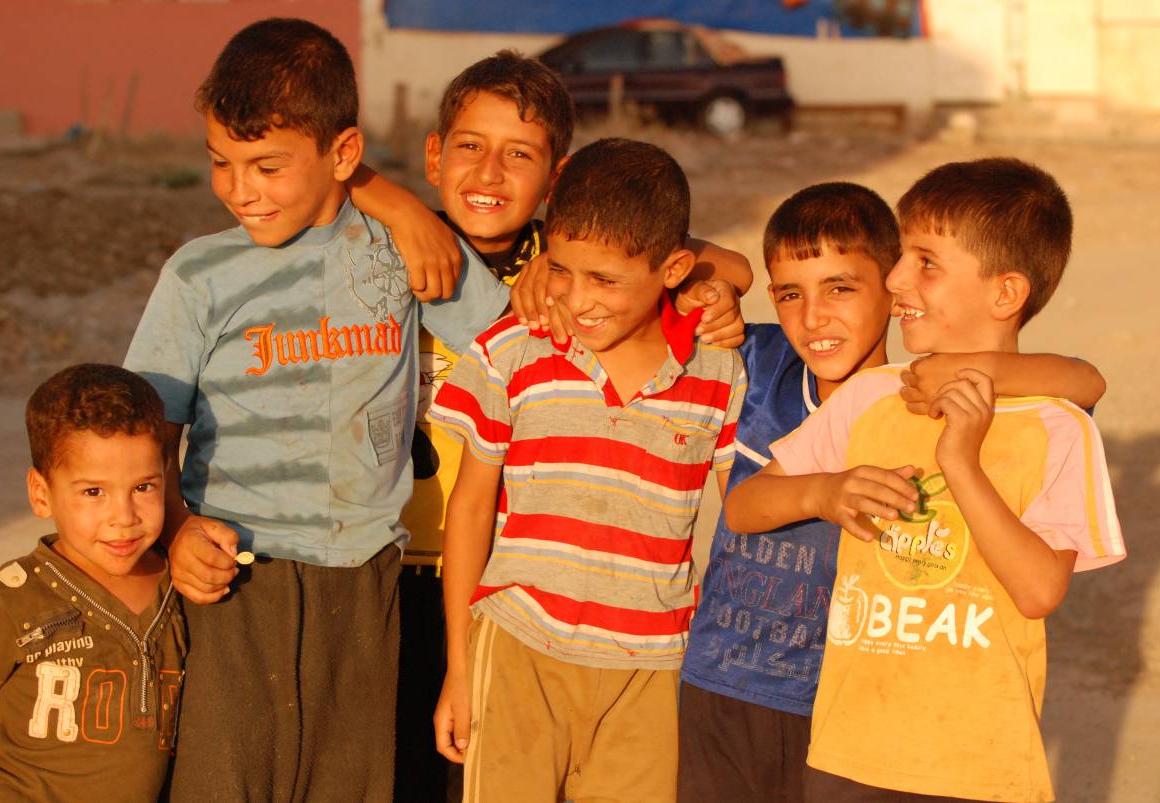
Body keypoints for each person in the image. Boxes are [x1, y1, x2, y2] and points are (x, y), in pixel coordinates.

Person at [343, 50, 752, 802]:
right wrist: (403, 209)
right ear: (434, 155)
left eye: (519, 155)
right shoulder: (388, 246)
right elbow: (319, 171)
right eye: (470, 146)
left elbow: (709, 260)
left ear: (555, 179)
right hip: (386, 567)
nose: (490, 173)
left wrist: (710, 283)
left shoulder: (559, 264)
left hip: (504, 583)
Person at [122, 18, 511, 802]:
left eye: (267, 166)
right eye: (222, 163)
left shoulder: (404, 248)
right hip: (234, 582)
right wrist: (177, 529)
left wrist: (699, 270)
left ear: (342, 153)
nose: (240, 189)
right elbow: (142, 438)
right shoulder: (199, 275)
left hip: (366, 583)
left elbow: (519, 341)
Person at [676, 181, 1109, 803]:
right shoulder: (871, 397)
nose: (900, 278)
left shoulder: (1055, 425)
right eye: (902, 259)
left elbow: (1040, 590)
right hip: (841, 747)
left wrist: (959, 460)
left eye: (923, 262)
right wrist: (824, 493)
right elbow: (744, 505)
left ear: (1006, 292)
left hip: (977, 763)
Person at [427, 137, 747, 802]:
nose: (577, 299)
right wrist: (459, 665)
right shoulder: (511, 351)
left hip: (652, 671)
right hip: (517, 647)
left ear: (673, 268)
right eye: (561, 270)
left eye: (605, 280)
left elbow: (740, 519)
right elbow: (471, 507)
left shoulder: (718, 371)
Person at [0, 364, 183, 802]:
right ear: (41, 494)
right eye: (93, 492)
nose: (123, 517)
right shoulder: (9, 602)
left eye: (143, 487)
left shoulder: (181, 586)